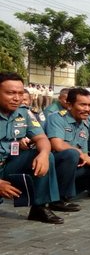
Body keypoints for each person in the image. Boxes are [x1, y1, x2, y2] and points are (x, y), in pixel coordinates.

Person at [0, 72, 63, 224]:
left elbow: (41, 138)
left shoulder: (24, 113)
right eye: (10, 93)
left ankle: (39, 207)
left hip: (8, 165)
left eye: (20, 93)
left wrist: (43, 154)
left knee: (46, 155)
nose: (17, 98)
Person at [45, 87, 90, 200]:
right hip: (53, 166)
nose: (87, 109)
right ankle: (58, 199)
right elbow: (57, 145)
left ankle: (68, 193)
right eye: (82, 105)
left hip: (74, 165)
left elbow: (85, 154)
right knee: (72, 154)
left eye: (89, 105)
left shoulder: (84, 125)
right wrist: (78, 153)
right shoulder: (56, 118)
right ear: (70, 105)